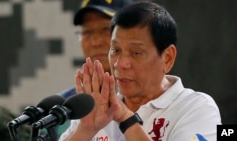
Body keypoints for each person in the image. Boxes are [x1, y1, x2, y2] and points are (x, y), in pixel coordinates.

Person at [59, 1, 222, 141]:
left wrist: (127, 120)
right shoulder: (96, 106)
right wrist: (85, 130)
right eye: (115, 50)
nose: (120, 63)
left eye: (136, 53)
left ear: (167, 58)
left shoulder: (195, 108)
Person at [55, 0, 132, 139]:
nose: (96, 41)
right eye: (87, 32)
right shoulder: (61, 108)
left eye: (106, 30)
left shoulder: (156, 99)